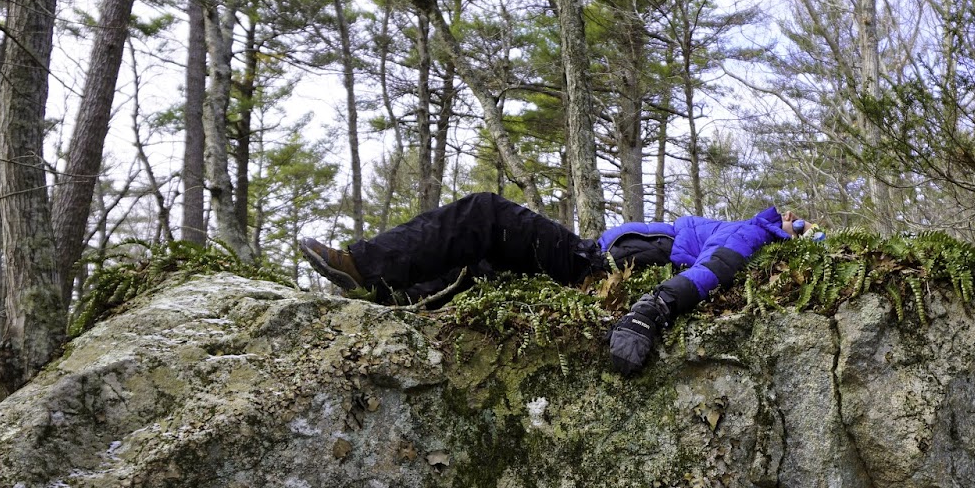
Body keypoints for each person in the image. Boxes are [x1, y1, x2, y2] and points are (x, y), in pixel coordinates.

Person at [299, 192, 805, 375]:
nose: (790, 216)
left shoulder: (751, 234)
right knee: (480, 264)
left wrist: (650, 311)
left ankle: (365, 268)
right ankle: (393, 294)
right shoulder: (746, 226)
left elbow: (710, 272)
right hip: (590, 260)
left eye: (798, 224)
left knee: (486, 213)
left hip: (592, 269)